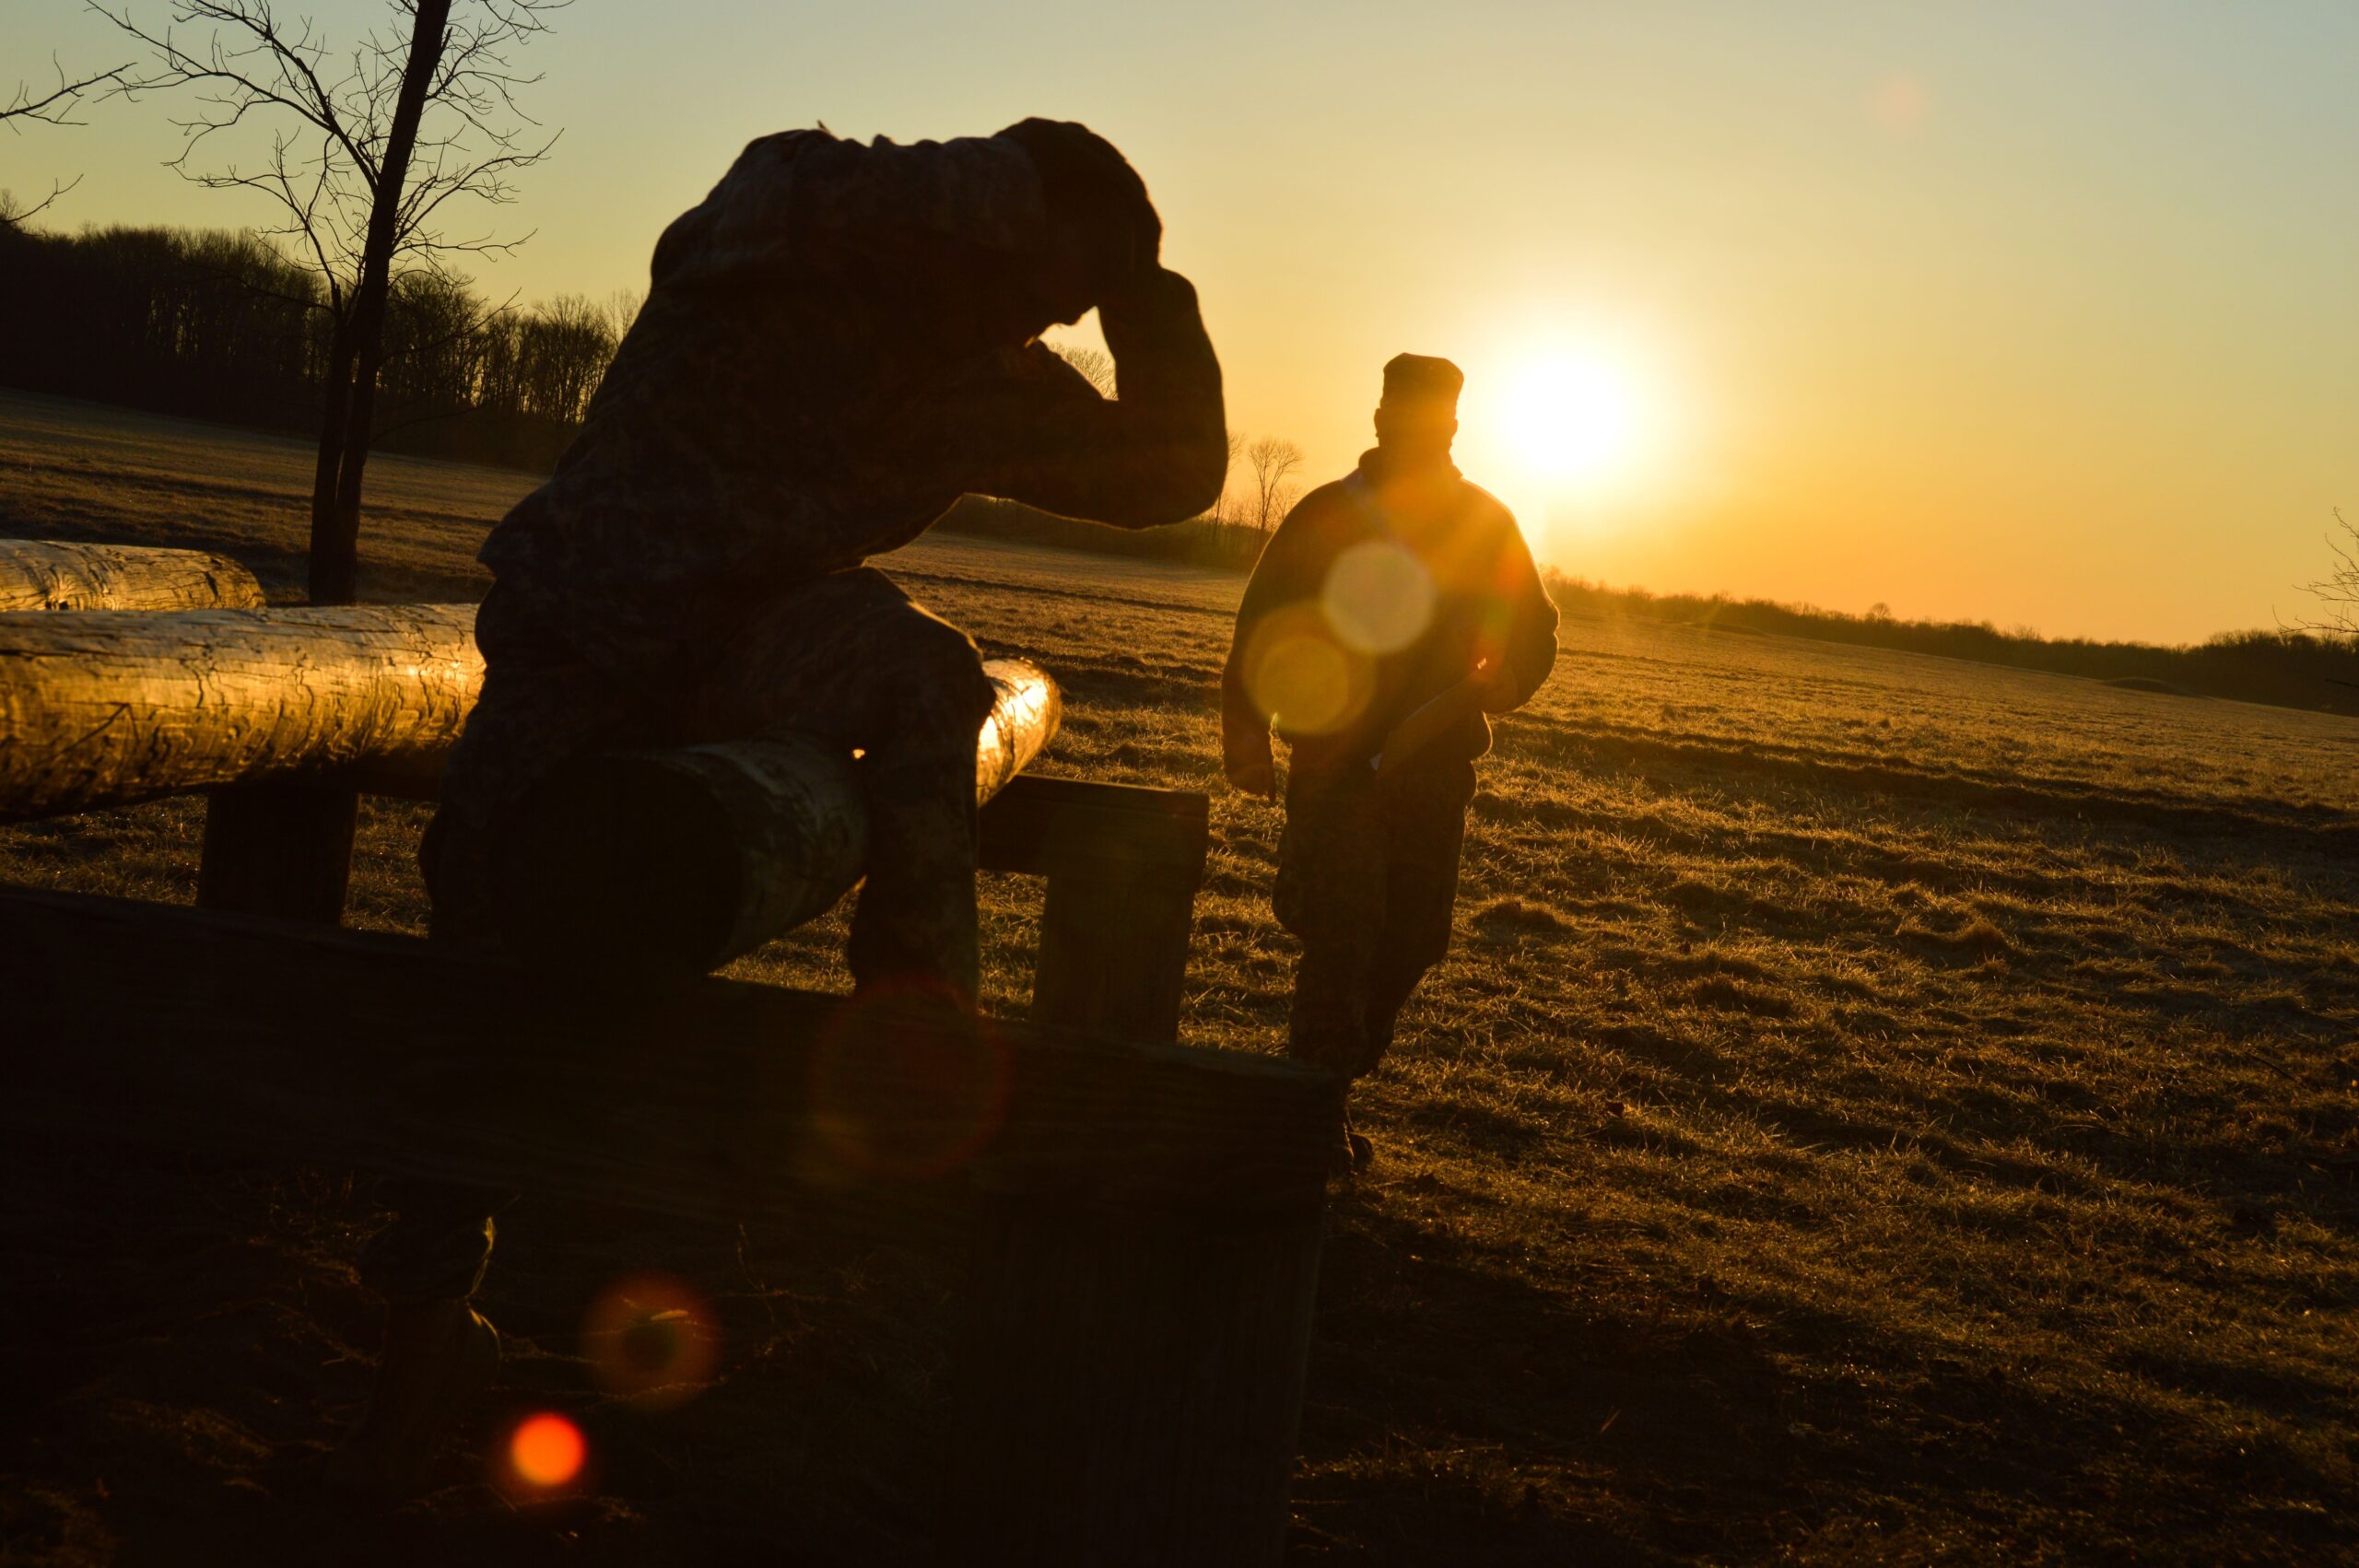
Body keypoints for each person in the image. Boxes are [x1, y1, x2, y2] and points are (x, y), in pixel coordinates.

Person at [335, 120, 1226, 1494]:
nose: (1044, 316)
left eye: (1067, 306)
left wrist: (1146, 294)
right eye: (1050, 282)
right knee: (482, 950)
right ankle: (419, 1331)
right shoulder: (798, 208)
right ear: (996, 211)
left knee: (930, 675)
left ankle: (918, 1020)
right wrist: (1034, 220)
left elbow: (1174, 476)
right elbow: (731, 220)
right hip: (589, 615)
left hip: (757, 637)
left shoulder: (982, 380)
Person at [1221, 354, 1556, 1169]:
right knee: (1341, 934)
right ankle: (1308, 1121)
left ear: (1449, 426)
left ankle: (1328, 1079)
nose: (1406, 428)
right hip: (1331, 766)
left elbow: (1534, 632)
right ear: (1378, 417)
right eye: (1395, 412)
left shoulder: (1486, 521)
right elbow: (1261, 621)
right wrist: (1246, 734)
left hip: (1433, 773)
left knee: (1413, 938)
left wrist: (1506, 680)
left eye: (1427, 418)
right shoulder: (1327, 513)